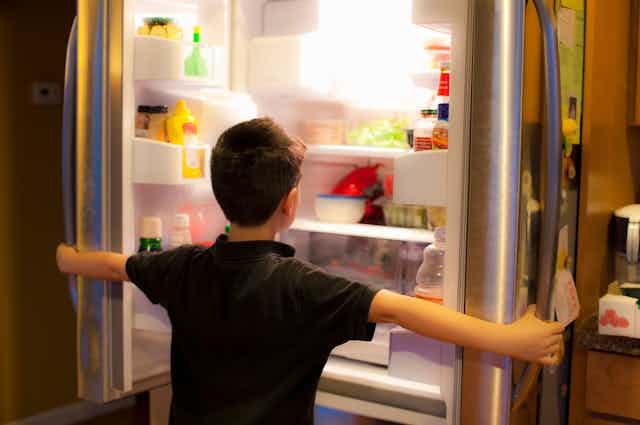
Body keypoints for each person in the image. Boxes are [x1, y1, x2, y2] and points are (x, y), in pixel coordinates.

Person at [56, 117, 564, 425]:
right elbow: (403, 311)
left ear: (219, 195)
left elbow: (116, 266)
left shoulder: (181, 268)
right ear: (291, 201)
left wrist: (67, 259)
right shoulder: (305, 289)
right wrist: (510, 341)